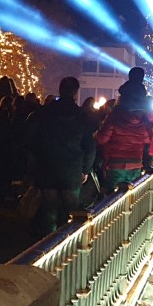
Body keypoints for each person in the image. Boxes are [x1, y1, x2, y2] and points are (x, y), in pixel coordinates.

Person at [25, 77, 96, 235]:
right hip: (72, 169)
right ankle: (68, 240)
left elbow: (30, 138)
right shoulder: (82, 116)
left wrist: (35, 161)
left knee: (49, 209)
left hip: (47, 166)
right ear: (76, 93)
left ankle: (48, 241)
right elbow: (90, 146)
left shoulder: (43, 113)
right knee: (71, 212)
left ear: (60, 89)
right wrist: (86, 169)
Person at [96, 82, 153, 191]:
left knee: (114, 197)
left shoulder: (115, 116)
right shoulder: (143, 119)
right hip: (136, 163)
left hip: (116, 163)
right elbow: (148, 139)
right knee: (132, 195)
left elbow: (102, 139)